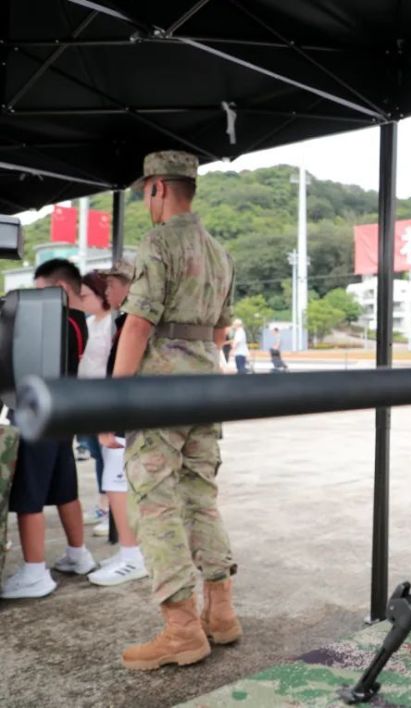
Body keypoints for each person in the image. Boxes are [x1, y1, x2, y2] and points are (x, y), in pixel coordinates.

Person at [111, 150, 240, 669]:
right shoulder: (218, 251)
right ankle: (222, 614)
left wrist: (115, 397)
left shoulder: (160, 241)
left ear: (158, 188)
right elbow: (220, 331)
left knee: (155, 504)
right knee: (201, 499)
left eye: (147, 192)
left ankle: (182, 628)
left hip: (160, 391)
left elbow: (138, 323)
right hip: (206, 387)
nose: (147, 201)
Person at [2, 259, 96, 599]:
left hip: (38, 412)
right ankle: (78, 554)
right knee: (63, 488)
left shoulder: (57, 322)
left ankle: (34, 572)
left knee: (29, 496)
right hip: (63, 414)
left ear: (61, 290)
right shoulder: (79, 322)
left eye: (39, 292)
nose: (32, 300)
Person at [88, 261, 148, 587]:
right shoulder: (125, 320)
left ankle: (131, 556)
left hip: (128, 416)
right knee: (115, 484)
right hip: (127, 414)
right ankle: (129, 552)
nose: (106, 292)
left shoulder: (134, 323)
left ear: (128, 285)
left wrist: (110, 416)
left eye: (111, 285)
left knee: (118, 484)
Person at [78, 271, 115, 536]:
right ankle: (104, 503)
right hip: (88, 397)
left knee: (108, 455)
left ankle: (110, 506)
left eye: (85, 295)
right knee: (95, 451)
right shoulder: (89, 323)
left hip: (106, 397)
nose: (82, 300)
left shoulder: (113, 323)